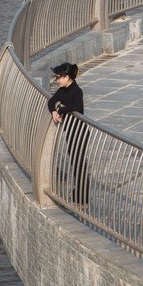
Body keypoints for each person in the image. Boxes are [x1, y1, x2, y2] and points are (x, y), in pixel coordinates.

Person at [48, 62, 89, 205]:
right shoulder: (62, 90)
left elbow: (76, 107)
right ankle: (78, 190)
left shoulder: (77, 91)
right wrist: (53, 111)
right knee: (74, 162)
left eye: (58, 77)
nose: (57, 80)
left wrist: (60, 110)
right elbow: (51, 101)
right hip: (70, 130)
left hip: (79, 131)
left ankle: (83, 194)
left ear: (66, 77)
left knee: (80, 163)